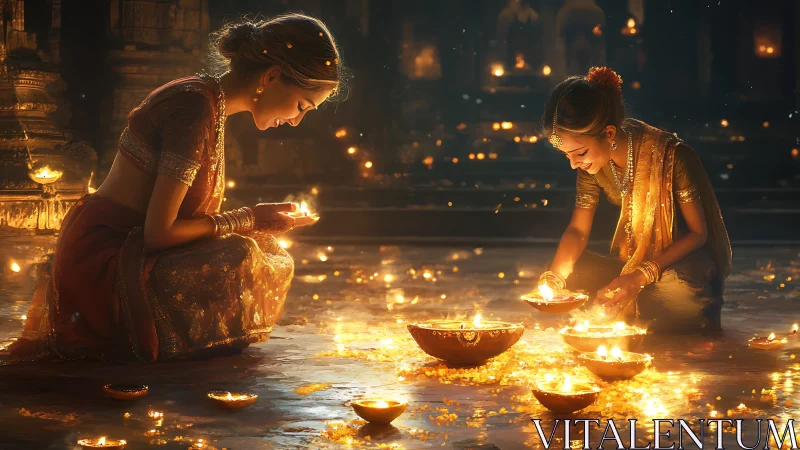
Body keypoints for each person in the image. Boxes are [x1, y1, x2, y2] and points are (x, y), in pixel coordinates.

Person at [8, 13, 343, 362]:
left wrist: (255, 222)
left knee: (265, 248)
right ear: (271, 76)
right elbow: (159, 233)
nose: (296, 120)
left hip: (135, 245)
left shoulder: (212, 103)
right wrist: (247, 218)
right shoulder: (194, 108)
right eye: (302, 106)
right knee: (240, 256)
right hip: (108, 255)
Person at [538, 67, 731, 332]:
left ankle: (640, 304)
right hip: (629, 262)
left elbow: (699, 234)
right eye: (566, 155)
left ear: (607, 133)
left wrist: (640, 277)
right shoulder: (590, 167)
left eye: (579, 152)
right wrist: (554, 280)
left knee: (682, 293)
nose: (573, 164)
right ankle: (634, 303)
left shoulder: (673, 156)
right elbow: (578, 230)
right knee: (574, 272)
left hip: (679, 264)